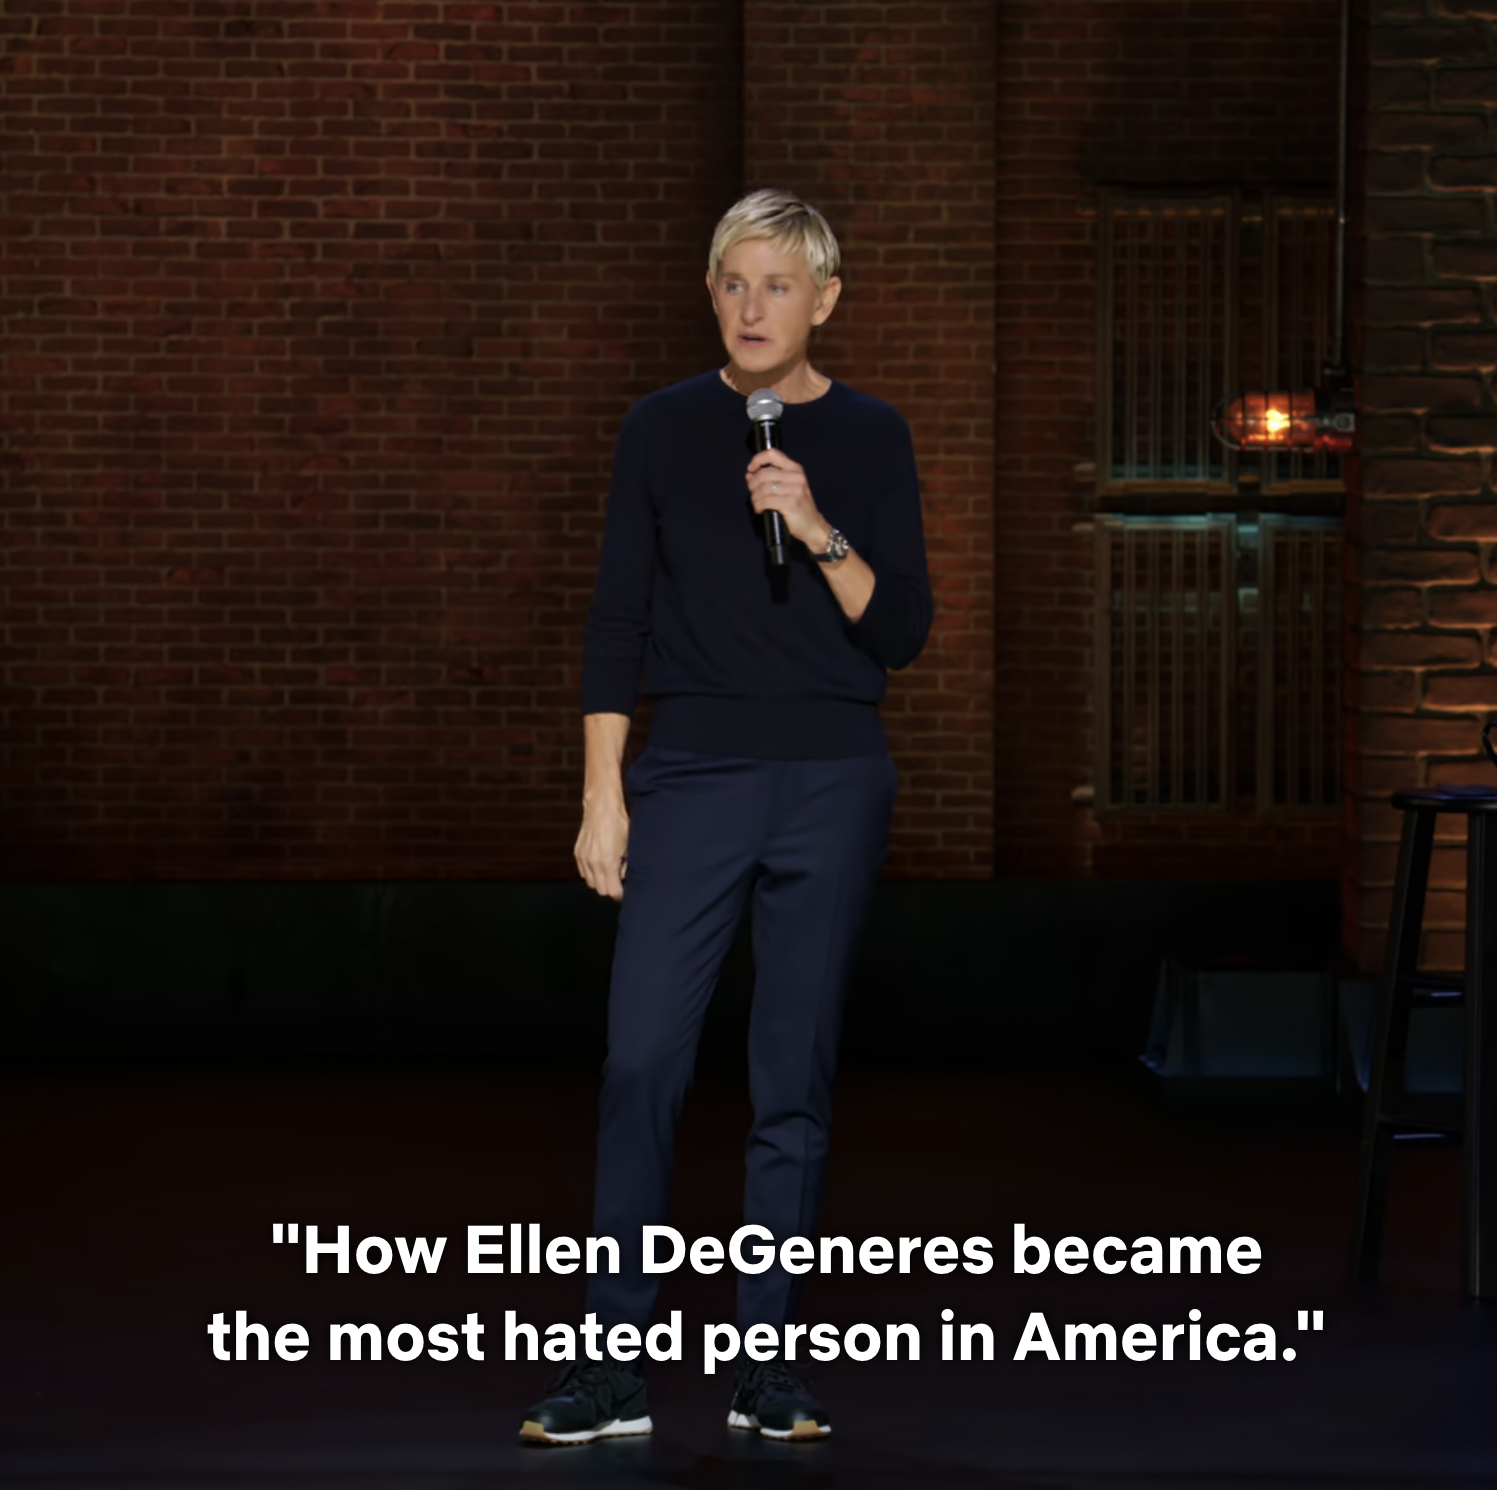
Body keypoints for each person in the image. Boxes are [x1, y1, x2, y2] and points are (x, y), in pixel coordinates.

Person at [518, 189, 933, 1446]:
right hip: (689, 774)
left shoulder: (870, 434)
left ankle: (768, 1365)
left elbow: (901, 629)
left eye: (779, 286)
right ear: (714, 295)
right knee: (642, 1056)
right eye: (733, 284)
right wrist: (604, 792)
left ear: (824, 300)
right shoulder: (657, 430)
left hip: (831, 778)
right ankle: (610, 1364)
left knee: (789, 1079)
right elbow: (615, 620)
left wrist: (812, 526)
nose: (754, 308)